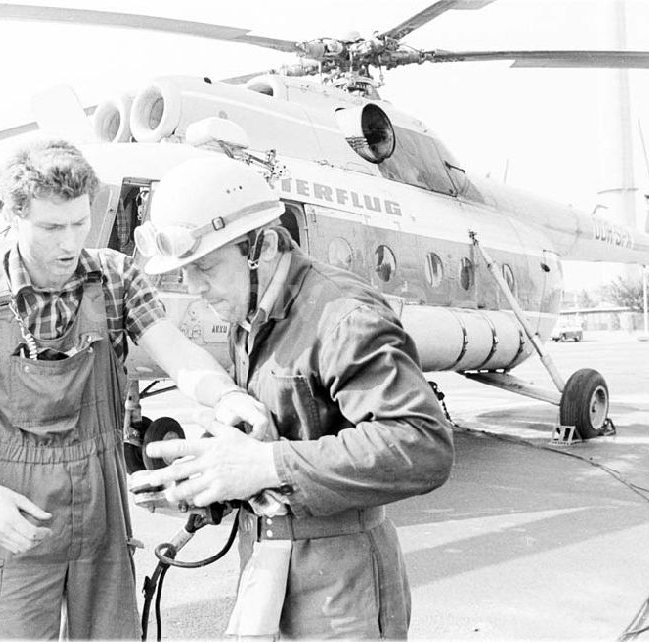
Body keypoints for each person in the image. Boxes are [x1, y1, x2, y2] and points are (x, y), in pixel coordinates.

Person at [0, 138, 270, 639]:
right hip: (17, 515)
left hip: (102, 514)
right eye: (50, 227)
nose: (69, 243)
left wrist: (226, 394)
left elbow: (177, 353)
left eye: (78, 223)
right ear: (13, 217)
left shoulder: (114, 277)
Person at [138, 155, 455, 639]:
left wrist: (266, 467)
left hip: (341, 589)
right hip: (269, 570)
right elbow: (281, 432)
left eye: (204, 267)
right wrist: (207, 486)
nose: (193, 287)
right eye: (183, 272)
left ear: (261, 246)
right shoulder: (252, 314)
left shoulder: (342, 315)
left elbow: (421, 444)